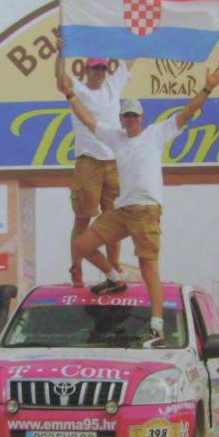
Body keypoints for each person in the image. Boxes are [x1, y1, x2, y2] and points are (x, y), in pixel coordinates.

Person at [59, 63, 219, 344]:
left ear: (141, 117)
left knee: (149, 268)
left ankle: (157, 327)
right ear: (121, 119)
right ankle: (114, 278)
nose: (130, 120)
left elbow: (188, 112)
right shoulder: (115, 137)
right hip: (123, 210)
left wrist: (208, 88)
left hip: (147, 211)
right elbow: (87, 120)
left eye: (134, 115)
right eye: (126, 115)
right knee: (82, 245)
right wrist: (70, 96)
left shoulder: (156, 133)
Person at [56, 39, 134, 287]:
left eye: (103, 68)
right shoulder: (78, 88)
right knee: (83, 217)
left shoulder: (113, 85)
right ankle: (76, 268)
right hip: (88, 160)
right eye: (95, 68)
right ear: (86, 69)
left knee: (114, 219)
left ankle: (114, 268)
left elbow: (130, 60)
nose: (99, 72)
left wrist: (142, 37)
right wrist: (61, 52)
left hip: (113, 161)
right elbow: (61, 79)